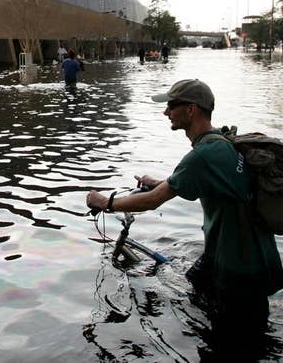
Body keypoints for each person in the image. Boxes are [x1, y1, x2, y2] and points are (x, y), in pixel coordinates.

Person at [86, 79, 283, 350]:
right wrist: (161, 183)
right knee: (202, 294)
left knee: (238, 345)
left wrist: (105, 202)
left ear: (191, 110)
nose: (166, 112)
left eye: (172, 106)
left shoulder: (202, 156)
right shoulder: (220, 142)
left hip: (239, 269)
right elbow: (204, 181)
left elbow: (153, 201)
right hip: (246, 257)